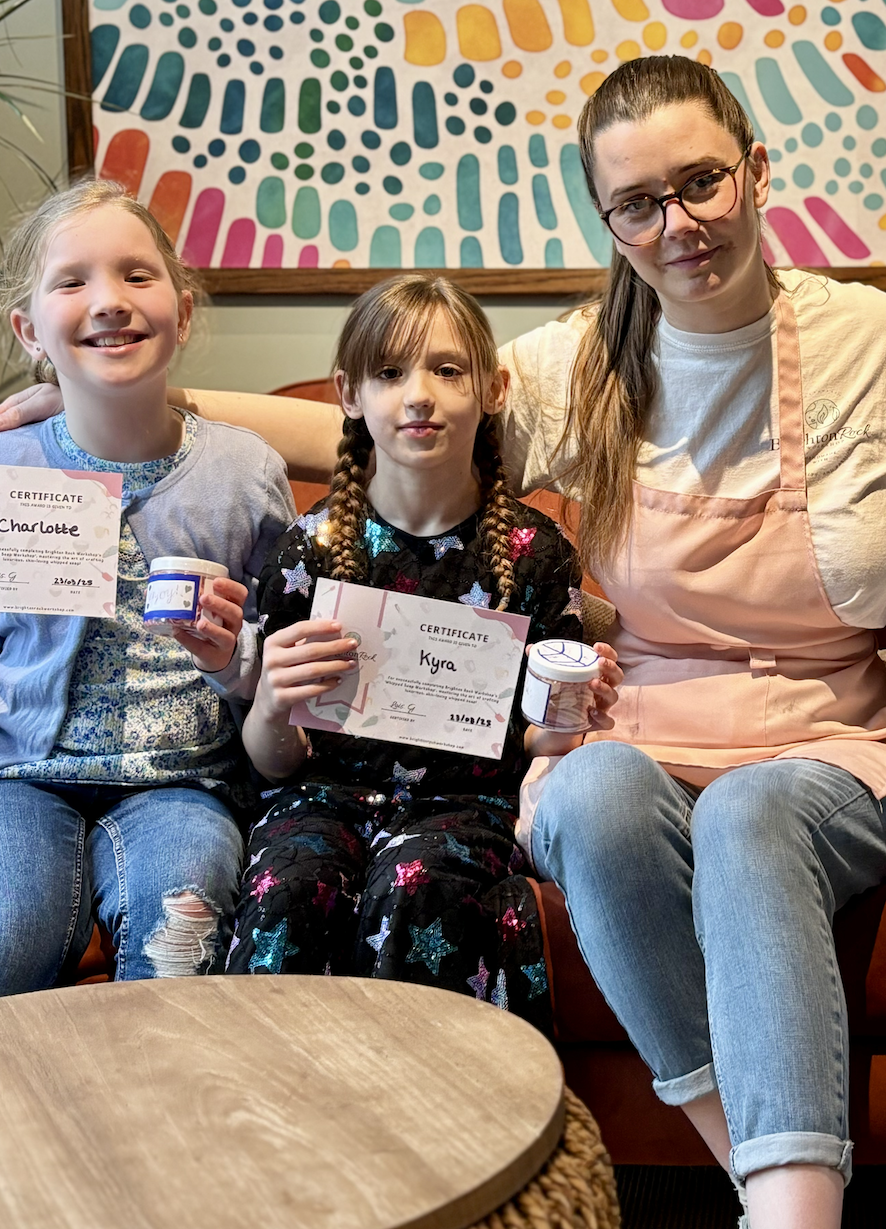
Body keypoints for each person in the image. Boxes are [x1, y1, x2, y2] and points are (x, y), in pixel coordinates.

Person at [0, 55, 886, 1228]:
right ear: (609, 221)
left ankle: (794, 1206)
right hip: (640, 726)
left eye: (701, 183)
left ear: (755, 170)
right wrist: (96, 393)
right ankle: (749, 1161)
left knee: (750, 814)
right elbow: (377, 417)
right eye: (637, 204)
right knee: (585, 798)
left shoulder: (874, 338)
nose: (677, 224)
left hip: (832, 736)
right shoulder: (581, 361)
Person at [0, 179, 294, 1024]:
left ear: (183, 312)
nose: (110, 302)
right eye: (73, 282)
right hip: (11, 768)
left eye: (136, 275)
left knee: (184, 940)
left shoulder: (247, 474)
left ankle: (139, 1131)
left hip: (182, 779)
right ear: (29, 330)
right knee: (15, 931)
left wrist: (237, 655)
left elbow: (278, 660)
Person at [224, 274, 619, 1033]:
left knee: (419, 891)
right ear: (349, 393)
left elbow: (540, 736)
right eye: (389, 373)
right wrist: (271, 702)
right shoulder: (313, 548)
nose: (418, 396)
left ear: (494, 389)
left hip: (465, 806)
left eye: (447, 370)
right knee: (290, 889)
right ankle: (274, 1122)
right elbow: (273, 763)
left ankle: (434, 1126)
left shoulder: (535, 556)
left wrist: (572, 718)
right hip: (321, 798)